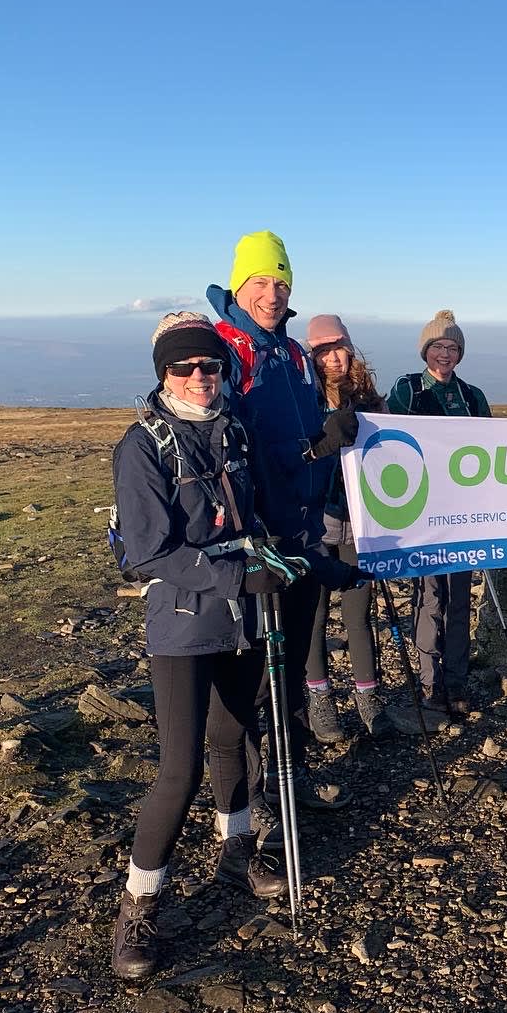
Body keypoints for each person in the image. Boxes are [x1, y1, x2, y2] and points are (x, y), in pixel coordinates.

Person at [109, 313, 293, 980]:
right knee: (179, 769)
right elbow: (146, 552)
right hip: (183, 620)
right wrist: (238, 575)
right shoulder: (142, 446)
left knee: (233, 735)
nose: (198, 376)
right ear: (164, 374)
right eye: (183, 367)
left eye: (208, 365)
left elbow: (255, 513)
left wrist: (285, 560)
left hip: (242, 614)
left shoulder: (233, 431)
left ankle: (236, 849)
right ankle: (139, 904)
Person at [206, 231, 360, 819]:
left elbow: (307, 438)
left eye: (282, 283)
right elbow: (233, 451)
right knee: (252, 677)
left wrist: (327, 439)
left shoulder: (293, 354)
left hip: (301, 534)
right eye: (261, 282)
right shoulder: (225, 351)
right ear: (239, 285)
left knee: (291, 669)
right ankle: (249, 803)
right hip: (253, 541)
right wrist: (313, 448)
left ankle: (289, 781)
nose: (273, 294)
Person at [387, 310, 491, 712]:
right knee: (430, 597)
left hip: (462, 514)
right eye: (437, 346)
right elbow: (386, 437)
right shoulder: (408, 389)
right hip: (421, 513)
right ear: (425, 350)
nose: (445, 354)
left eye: (452, 348)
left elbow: (491, 449)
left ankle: (457, 683)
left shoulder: (472, 396)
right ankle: (431, 684)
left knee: (459, 600)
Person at [302, 314, 392, 743]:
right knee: (314, 615)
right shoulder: (301, 398)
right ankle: (319, 698)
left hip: (360, 522)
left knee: (359, 615)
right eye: (323, 352)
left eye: (339, 348)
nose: (334, 358)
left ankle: (368, 696)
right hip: (316, 524)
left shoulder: (369, 398)